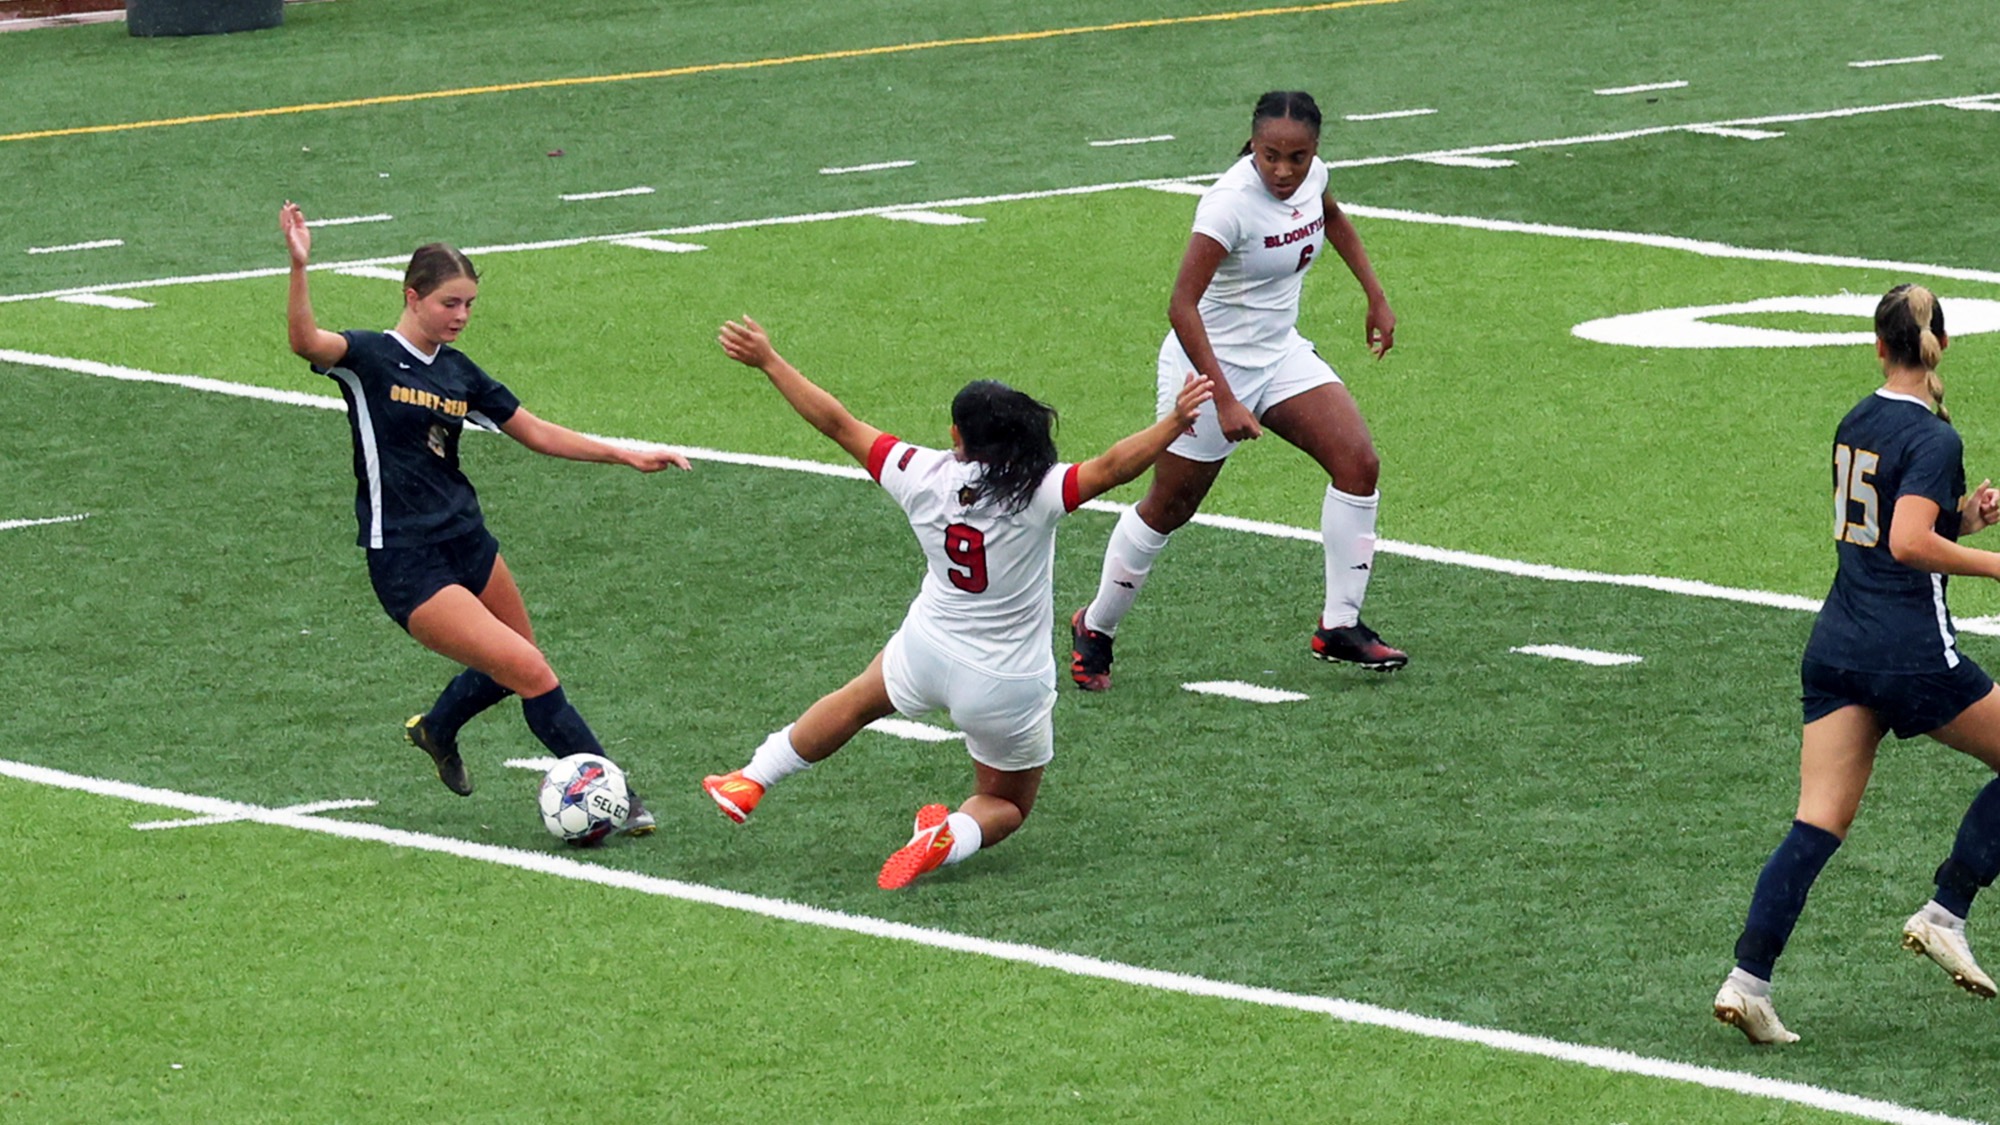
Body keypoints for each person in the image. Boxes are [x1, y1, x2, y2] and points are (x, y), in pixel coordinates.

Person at [701, 315, 1212, 888]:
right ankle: (950, 836)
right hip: (1005, 679)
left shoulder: (918, 473)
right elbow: (1114, 467)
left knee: (852, 703)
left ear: (956, 436)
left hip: (929, 645)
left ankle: (752, 777)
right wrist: (1173, 423)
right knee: (1007, 805)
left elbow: (836, 422)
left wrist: (769, 360)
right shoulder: (1040, 492)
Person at [281, 201, 688, 832]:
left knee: (519, 661)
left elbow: (536, 432)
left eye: (470, 304)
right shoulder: (368, 359)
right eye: (450, 303)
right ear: (412, 297)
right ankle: (616, 795)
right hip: (407, 558)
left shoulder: (459, 372)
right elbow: (305, 342)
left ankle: (438, 729)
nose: (462, 315)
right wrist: (300, 266)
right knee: (528, 670)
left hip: (469, 542)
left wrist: (626, 455)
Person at [1715, 284, 2000, 1044]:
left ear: (1879, 346)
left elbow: (1894, 526)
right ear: (1943, 343)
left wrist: (1966, 515)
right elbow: (1908, 544)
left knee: (1817, 821)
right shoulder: (1935, 436)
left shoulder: (1857, 420)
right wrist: (1993, 560)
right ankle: (1947, 908)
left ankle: (1748, 981)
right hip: (1906, 650)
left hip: (1837, 643)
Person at [1069, 90, 1403, 692]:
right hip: (1208, 367)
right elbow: (1181, 306)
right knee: (1171, 507)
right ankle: (1095, 627)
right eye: (1270, 155)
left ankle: (1340, 626)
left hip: (1279, 353)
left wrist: (1375, 295)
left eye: (1296, 157)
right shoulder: (1228, 205)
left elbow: (1333, 218)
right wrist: (1223, 397)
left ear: (1315, 152)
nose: (1283, 170)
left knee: (1359, 463)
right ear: (1252, 144)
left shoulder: (1312, 178)